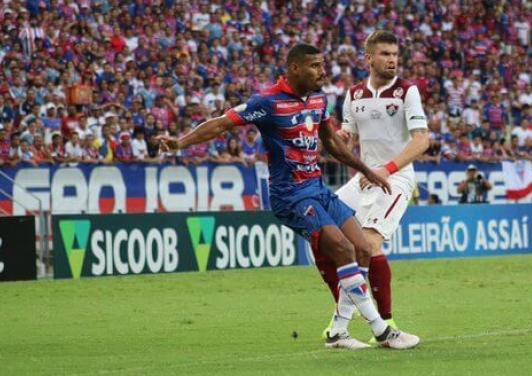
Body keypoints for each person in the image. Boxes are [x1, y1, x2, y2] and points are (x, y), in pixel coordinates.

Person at [157, 43, 419, 350]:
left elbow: (331, 143)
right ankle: (381, 329)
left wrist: (367, 170)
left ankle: (338, 332)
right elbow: (221, 123)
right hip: (290, 196)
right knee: (342, 247)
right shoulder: (267, 102)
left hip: (317, 189)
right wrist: (179, 143)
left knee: (362, 247)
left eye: (323, 65)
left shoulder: (318, 99)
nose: (323, 71)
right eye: (315, 66)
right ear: (295, 68)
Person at [321, 30, 430, 341]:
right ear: (369, 58)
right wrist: (338, 137)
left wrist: (387, 169)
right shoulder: (354, 95)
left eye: (395, 54)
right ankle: (342, 326)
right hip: (365, 177)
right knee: (323, 232)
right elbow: (348, 136)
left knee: (367, 244)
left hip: (395, 178)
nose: (392, 59)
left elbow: (422, 140)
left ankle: (380, 323)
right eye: (384, 54)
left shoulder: (406, 92)